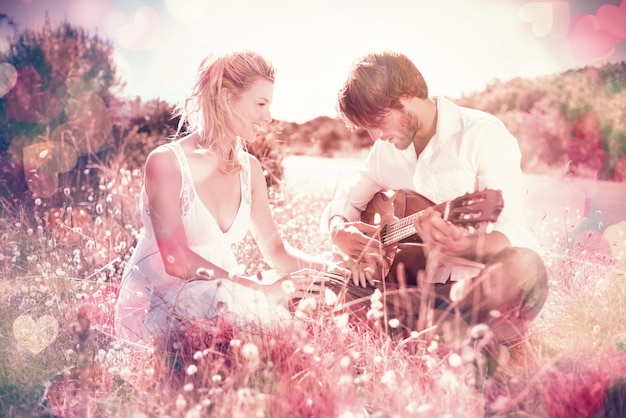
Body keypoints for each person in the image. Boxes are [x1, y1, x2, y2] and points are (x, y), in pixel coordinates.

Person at [115, 50, 346, 351]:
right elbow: (176, 261)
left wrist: (333, 271)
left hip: (224, 291)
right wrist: (258, 289)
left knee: (301, 290)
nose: (268, 116)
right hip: (160, 302)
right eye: (261, 103)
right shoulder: (166, 163)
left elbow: (275, 251)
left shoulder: (250, 168)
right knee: (260, 315)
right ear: (225, 99)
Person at [324, 51, 548, 353]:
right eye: (368, 127)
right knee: (324, 281)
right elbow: (346, 200)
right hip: (415, 286)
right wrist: (339, 230)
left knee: (525, 267)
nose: (375, 136)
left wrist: (463, 247)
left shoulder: (482, 134)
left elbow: (509, 229)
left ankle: (412, 323)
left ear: (406, 94)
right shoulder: (384, 150)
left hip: (473, 284)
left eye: (379, 121)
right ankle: (449, 332)